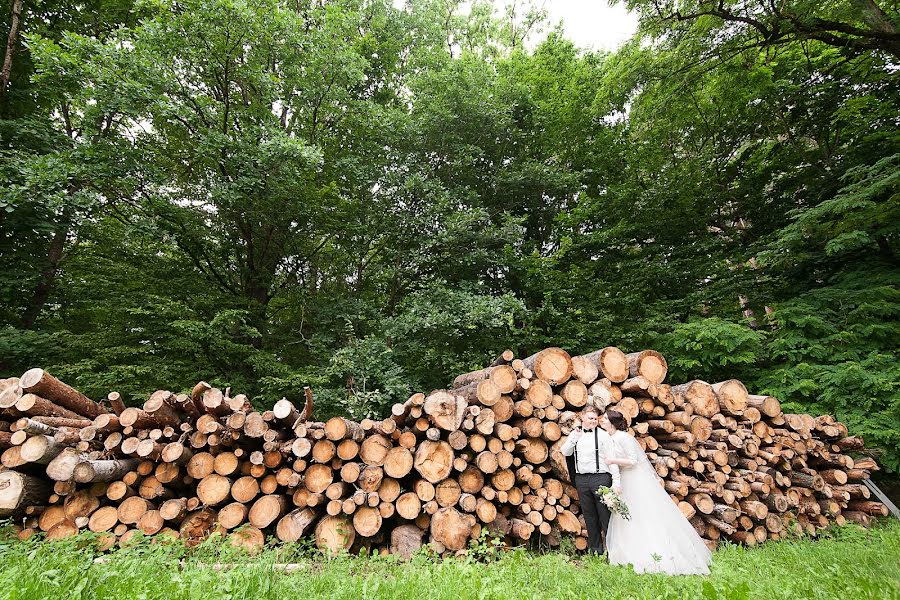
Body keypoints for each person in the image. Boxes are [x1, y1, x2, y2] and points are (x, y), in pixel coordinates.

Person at [601, 409, 712, 575]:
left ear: (611, 421)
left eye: (604, 418)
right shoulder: (609, 438)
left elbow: (634, 460)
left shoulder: (624, 437)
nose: (601, 420)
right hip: (623, 479)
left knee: (641, 514)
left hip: (634, 479)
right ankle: (627, 553)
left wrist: (612, 460)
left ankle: (656, 554)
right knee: (627, 515)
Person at [560, 406, 621, 556]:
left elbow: (611, 459)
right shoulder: (575, 434)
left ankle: (613, 552)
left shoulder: (603, 435)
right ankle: (596, 552)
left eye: (595, 418)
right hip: (582, 479)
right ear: (582, 418)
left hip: (601, 477)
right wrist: (575, 438)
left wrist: (616, 481)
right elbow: (565, 451)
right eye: (590, 418)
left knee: (605, 516)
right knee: (589, 516)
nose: (594, 421)